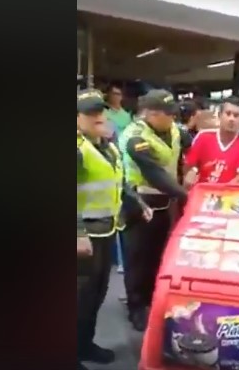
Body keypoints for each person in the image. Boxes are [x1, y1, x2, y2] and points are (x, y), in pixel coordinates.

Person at [76, 89, 153, 367]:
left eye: (101, 111)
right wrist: (78, 233)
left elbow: (119, 183)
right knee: (78, 298)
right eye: (90, 113)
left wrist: (137, 202)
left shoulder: (107, 147)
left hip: (106, 232)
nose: (98, 117)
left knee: (95, 295)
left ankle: (84, 345)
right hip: (84, 237)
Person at [118, 89, 193, 331]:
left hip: (164, 205)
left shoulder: (173, 129)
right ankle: (136, 307)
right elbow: (155, 174)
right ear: (151, 113)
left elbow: (189, 144)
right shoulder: (135, 138)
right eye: (167, 114)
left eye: (174, 113)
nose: (173, 118)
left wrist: (192, 168)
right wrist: (186, 196)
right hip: (139, 204)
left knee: (157, 255)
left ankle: (152, 298)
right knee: (137, 258)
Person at [183, 98, 239, 185]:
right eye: (228, 114)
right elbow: (189, 164)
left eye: (236, 115)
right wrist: (190, 174)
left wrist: (218, 194)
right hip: (201, 192)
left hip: (230, 195)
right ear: (219, 115)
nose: (231, 119)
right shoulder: (203, 136)